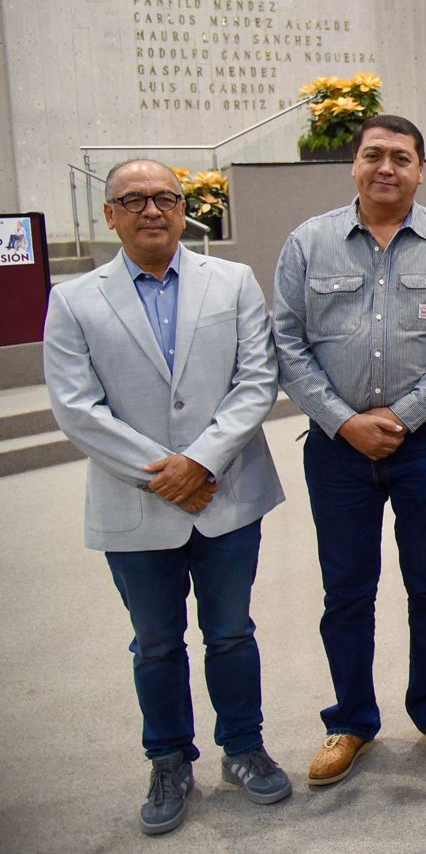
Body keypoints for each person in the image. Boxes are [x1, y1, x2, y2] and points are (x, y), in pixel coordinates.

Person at [43, 159, 289, 835]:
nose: (153, 210)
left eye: (166, 199)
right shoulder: (74, 299)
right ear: (110, 215)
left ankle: (243, 748)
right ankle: (169, 759)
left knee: (232, 633)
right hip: (138, 503)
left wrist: (202, 462)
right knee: (155, 644)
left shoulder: (233, 281)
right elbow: (76, 407)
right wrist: (165, 471)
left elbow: (256, 379)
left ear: (185, 209)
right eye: (135, 200)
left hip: (228, 494)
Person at [272, 114, 426, 786]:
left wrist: (401, 414)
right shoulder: (308, 244)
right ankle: (350, 721)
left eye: (401, 157)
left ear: (421, 169)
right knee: (346, 590)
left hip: (425, 445)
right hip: (337, 451)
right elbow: (287, 341)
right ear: (354, 165)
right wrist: (344, 421)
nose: (386, 168)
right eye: (374, 155)